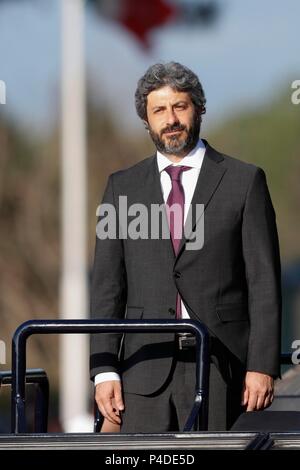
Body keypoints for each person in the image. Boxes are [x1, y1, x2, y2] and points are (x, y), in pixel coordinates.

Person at [90, 62, 281, 432]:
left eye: (180, 106)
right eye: (159, 110)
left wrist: (262, 365)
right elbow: (107, 288)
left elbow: (264, 283)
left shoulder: (244, 181)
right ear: (146, 120)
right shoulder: (121, 187)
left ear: (199, 108)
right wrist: (103, 370)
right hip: (142, 370)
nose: (171, 119)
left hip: (223, 369)